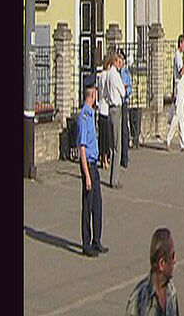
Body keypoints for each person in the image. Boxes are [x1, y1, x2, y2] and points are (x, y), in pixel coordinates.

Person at [77, 79, 107, 257]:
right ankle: (86, 243)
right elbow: (82, 148)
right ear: (93, 94)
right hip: (87, 164)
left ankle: (97, 240)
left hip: (94, 164)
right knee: (87, 205)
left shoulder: (91, 113)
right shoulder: (84, 116)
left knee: (97, 204)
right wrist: (87, 175)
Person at [126, 227, 179, 316]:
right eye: (172, 256)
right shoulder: (139, 299)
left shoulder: (171, 291)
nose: (174, 261)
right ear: (162, 263)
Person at [104, 51, 126, 188]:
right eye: (120, 62)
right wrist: (122, 89)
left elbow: (106, 94)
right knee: (117, 146)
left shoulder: (107, 75)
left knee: (112, 146)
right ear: (115, 61)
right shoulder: (116, 75)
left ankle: (112, 177)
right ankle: (114, 179)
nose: (121, 64)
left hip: (109, 108)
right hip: (116, 108)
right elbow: (123, 92)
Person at [166, 35, 184, 152]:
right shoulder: (178, 56)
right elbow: (180, 73)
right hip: (178, 86)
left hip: (181, 86)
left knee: (182, 117)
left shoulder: (180, 55)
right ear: (180, 44)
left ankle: (183, 143)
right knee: (177, 115)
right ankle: (168, 138)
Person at [95, 55, 113, 170]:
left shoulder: (99, 76)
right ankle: (105, 159)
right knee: (106, 137)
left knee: (102, 136)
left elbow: (98, 90)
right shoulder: (107, 76)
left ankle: (102, 158)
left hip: (100, 107)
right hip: (106, 108)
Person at [118, 49, 133, 165]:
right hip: (115, 103)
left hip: (123, 103)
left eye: (121, 60)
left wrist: (125, 89)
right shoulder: (114, 73)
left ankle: (124, 156)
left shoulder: (126, 73)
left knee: (124, 130)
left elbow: (129, 89)